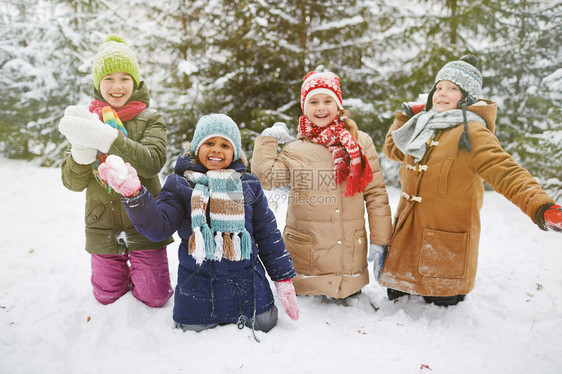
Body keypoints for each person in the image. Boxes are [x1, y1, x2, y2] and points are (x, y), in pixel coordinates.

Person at [380, 55, 562, 306]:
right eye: (439, 87)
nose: (441, 94)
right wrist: (404, 116)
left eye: (452, 88)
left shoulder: (473, 132)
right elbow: (393, 150)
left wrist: (541, 206)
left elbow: (506, 171)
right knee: (396, 301)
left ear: (467, 96)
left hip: (444, 249)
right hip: (405, 244)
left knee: (441, 307)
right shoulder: (424, 124)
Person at [97, 114, 299, 335]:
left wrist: (283, 278)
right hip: (198, 299)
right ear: (196, 148)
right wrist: (134, 194)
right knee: (194, 333)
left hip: (250, 295)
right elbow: (158, 227)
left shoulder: (248, 185)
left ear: (235, 152)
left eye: (225, 145)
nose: (217, 150)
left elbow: (268, 235)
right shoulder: (181, 185)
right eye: (209, 143)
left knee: (266, 323)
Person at [252, 71, 393, 300]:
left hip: (349, 267)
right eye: (313, 101)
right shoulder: (295, 150)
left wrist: (381, 239)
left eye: (328, 101)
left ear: (338, 106)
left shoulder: (360, 142)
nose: (321, 108)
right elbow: (265, 178)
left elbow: (376, 194)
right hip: (307, 268)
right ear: (304, 107)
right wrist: (268, 140)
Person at [58, 34, 173, 307]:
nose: (117, 86)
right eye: (109, 78)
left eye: (125, 78)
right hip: (102, 225)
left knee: (154, 298)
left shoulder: (151, 119)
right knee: (107, 297)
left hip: (146, 225)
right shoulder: (86, 121)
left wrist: (107, 138)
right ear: (99, 83)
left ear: (135, 82)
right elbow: (72, 183)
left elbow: (152, 162)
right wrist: (82, 151)